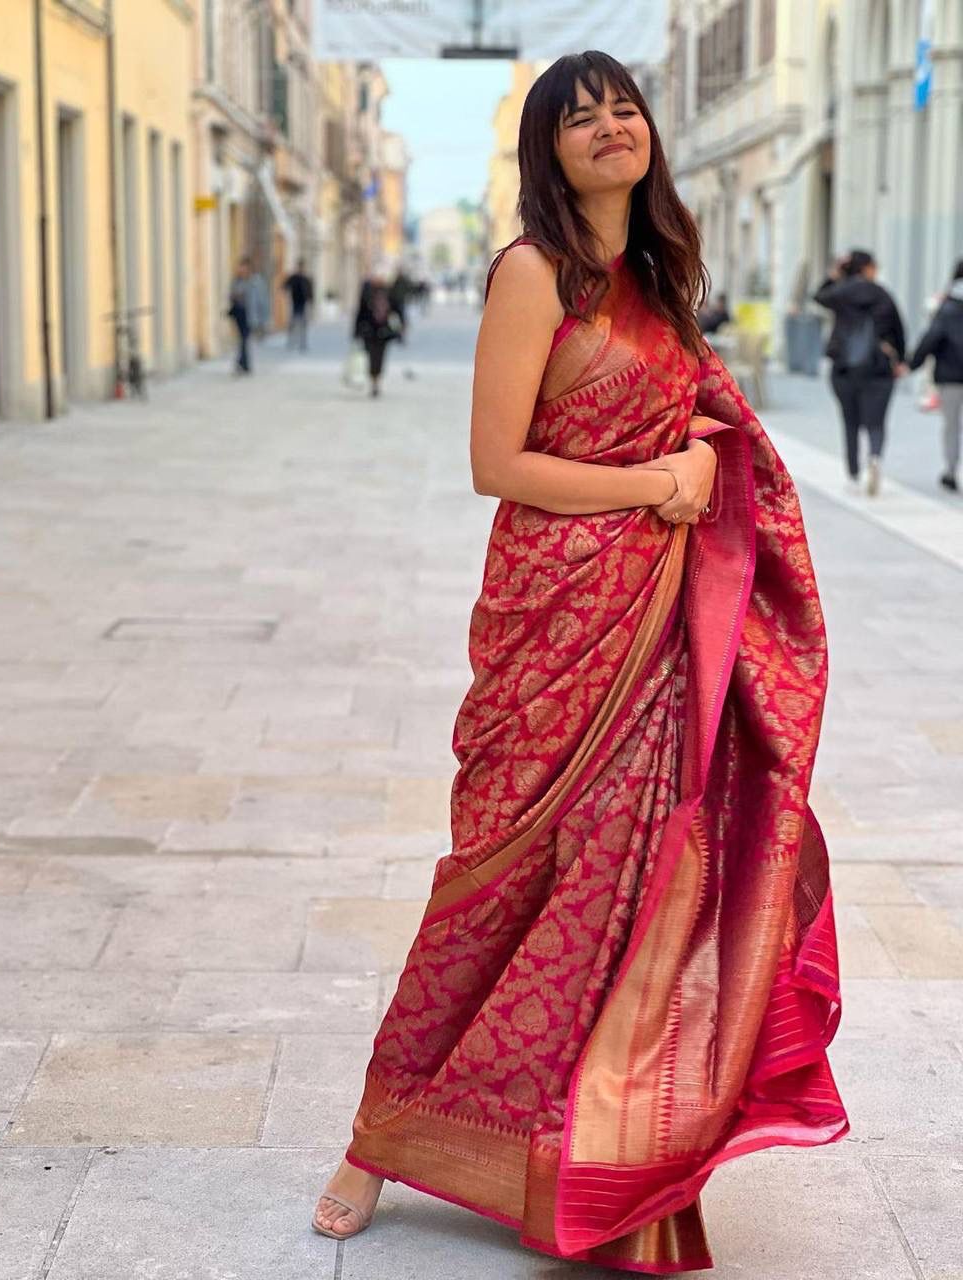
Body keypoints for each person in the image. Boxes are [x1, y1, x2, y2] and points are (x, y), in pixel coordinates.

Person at [313, 52, 846, 1274]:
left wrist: (705, 447)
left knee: (630, 883)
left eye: (624, 107)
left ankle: (590, 1140)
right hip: (555, 629)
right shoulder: (531, 273)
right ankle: (375, 1132)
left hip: (655, 635)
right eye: (579, 115)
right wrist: (662, 481)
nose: (610, 126)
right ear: (546, 150)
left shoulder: (660, 282)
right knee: (491, 882)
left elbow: (699, 416)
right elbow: (498, 463)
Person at [815, 249, 907, 496]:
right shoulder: (883, 294)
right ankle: (874, 456)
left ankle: (854, 472)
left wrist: (834, 275)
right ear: (867, 268)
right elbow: (898, 329)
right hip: (878, 367)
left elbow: (819, 297)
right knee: (876, 421)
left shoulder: (841, 292)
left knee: (850, 419)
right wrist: (901, 359)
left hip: (844, 366)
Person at [908, 258, 963, 491]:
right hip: (950, 375)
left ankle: (951, 470)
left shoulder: (948, 306)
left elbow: (932, 337)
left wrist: (912, 363)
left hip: (950, 376)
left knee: (951, 425)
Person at [353, 272, 402, 397]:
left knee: (380, 358)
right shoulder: (367, 294)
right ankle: (373, 381)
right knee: (371, 357)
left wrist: (401, 329)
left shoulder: (390, 294)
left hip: (384, 333)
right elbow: (360, 313)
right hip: (369, 332)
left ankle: (376, 382)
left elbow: (398, 311)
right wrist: (356, 331)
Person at [227, 256, 253, 374]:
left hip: (249, 313)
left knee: (244, 338)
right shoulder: (236, 280)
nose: (242, 269)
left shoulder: (252, 281)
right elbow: (232, 294)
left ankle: (243, 362)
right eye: (241, 267)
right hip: (239, 312)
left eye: (244, 267)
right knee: (243, 338)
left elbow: (257, 299)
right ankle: (244, 363)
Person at [284, 260, 314, 352]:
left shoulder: (306, 279)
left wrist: (311, 301)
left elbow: (310, 291)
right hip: (295, 303)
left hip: (303, 304)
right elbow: (285, 286)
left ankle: (302, 343)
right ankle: (291, 341)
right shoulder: (294, 278)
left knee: (303, 324)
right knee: (293, 323)